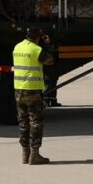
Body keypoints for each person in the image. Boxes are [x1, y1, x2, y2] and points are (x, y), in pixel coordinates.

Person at [13, 27, 55, 165]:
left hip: (19, 90)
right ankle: (35, 155)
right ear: (38, 37)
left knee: (23, 122)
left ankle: (25, 154)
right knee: (36, 122)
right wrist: (48, 45)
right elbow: (50, 61)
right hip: (33, 90)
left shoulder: (17, 47)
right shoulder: (36, 50)